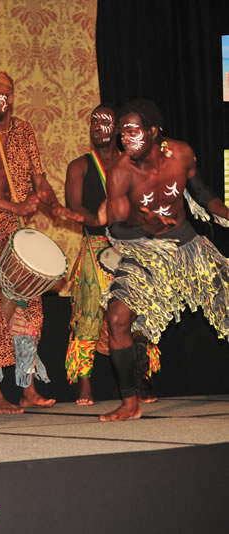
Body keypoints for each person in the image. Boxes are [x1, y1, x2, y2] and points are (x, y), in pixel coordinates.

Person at [0, 71, 82, 413]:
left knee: (28, 307)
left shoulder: (24, 131)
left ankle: (27, 388)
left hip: (12, 224)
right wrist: (16, 206)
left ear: (8, 99)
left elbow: (39, 180)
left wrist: (57, 208)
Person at [97, 99, 229, 421]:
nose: (124, 138)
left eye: (132, 131)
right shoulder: (119, 172)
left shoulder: (181, 154)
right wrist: (145, 226)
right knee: (116, 318)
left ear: (154, 132)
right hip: (144, 250)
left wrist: (225, 213)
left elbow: (201, 191)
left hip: (187, 250)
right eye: (121, 133)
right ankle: (130, 403)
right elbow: (115, 228)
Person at [64, 104, 160, 405]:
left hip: (131, 246)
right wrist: (96, 220)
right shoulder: (79, 166)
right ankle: (85, 386)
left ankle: (139, 382)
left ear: (117, 130)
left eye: (104, 122)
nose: (97, 126)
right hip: (95, 245)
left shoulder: (133, 164)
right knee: (89, 312)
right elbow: (74, 206)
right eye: (93, 121)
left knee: (139, 314)